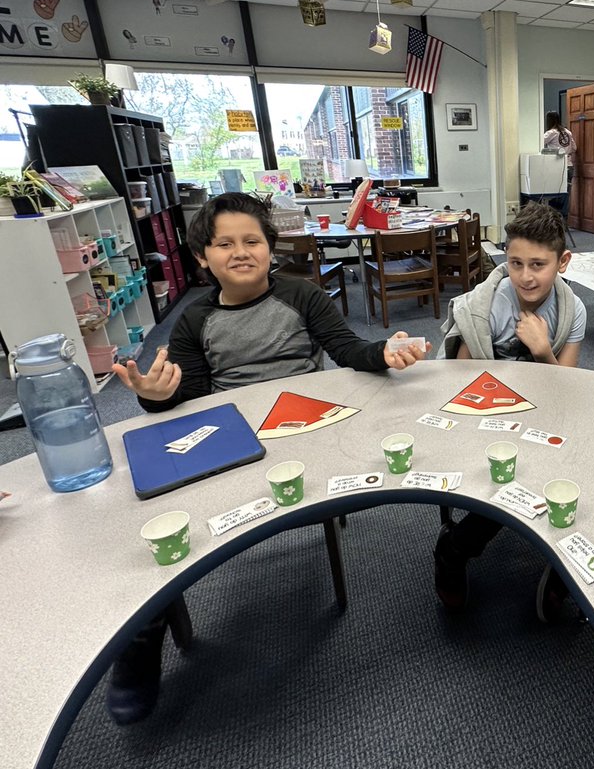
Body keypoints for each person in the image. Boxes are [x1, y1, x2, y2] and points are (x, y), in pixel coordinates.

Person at [107, 192, 427, 724]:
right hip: (232, 433)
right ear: (202, 258)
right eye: (224, 243)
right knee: (155, 512)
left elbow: (347, 351)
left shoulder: (301, 295)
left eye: (251, 240)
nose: (240, 252)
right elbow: (189, 396)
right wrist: (155, 395)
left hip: (304, 431)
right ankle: (141, 640)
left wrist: (385, 353)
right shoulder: (193, 321)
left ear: (270, 248)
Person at [433, 202, 586, 619]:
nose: (526, 276)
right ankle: (454, 550)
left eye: (538, 264)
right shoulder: (487, 308)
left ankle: (563, 570)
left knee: (580, 468)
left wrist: (541, 349)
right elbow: (462, 382)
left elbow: (565, 388)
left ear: (563, 261)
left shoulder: (573, 312)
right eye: (515, 263)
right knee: (512, 475)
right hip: (488, 415)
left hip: (545, 410)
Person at [541, 110, 576, 187]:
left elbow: (538, 144)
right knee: (566, 194)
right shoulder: (568, 132)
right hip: (569, 165)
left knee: (555, 193)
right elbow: (574, 148)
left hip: (556, 166)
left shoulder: (550, 133)